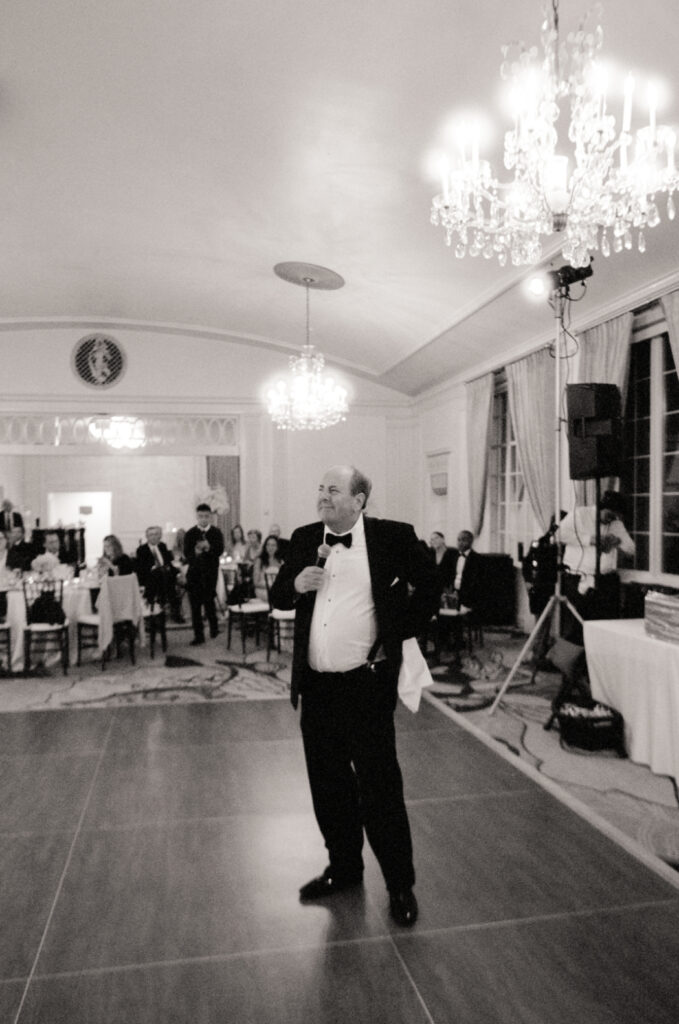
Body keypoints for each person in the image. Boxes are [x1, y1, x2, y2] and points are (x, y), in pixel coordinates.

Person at [270, 464, 439, 927]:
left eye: (333, 489)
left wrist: (403, 631)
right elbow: (278, 596)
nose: (322, 495)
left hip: (366, 686)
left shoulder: (391, 537)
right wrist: (295, 585)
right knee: (328, 785)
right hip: (318, 689)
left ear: (359, 500)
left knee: (380, 787)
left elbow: (431, 583)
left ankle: (400, 884)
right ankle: (343, 868)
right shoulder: (305, 537)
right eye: (319, 488)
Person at [557, 490, 635, 644]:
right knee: (578, 624)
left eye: (615, 517)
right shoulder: (579, 515)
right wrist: (590, 540)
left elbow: (631, 549)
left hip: (604, 580)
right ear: (600, 508)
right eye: (609, 515)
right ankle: (577, 663)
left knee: (604, 624)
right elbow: (558, 535)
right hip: (578, 578)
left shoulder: (615, 524)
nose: (611, 520)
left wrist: (617, 541)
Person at [184, 503, 225, 645]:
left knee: (209, 601)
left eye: (206, 516)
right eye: (200, 516)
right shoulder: (190, 534)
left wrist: (208, 548)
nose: (203, 519)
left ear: (210, 517)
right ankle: (198, 635)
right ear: (197, 516)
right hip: (194, 574)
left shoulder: (216, 532)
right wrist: (195, 552)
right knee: (195, 605)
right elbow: (186, 554)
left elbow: (219, 551)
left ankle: (214, 628)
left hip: (210, 573)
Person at [136, 526, 184, 622]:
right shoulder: (141, 550)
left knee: (169, 576)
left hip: (165, 576)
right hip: (150, 578)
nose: (153, 537)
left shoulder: (163, 546)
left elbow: (169, 564)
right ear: (147, 536)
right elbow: (141, 568)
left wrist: (179, 573)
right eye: (151, 535)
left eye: (156, 534)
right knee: (162, 576)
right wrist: (154, 568)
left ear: (159, 536)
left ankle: (173, 612)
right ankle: (164, 612)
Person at [253, 534, 285, 602]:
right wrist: (271, 586)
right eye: (268, 545)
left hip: (277, 590)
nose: (270, 547)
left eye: (273, 545)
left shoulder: (281, 562)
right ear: (265, 546)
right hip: (262, 590)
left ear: (277, 547)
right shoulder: (259, 561)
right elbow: (255, 582)